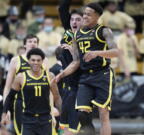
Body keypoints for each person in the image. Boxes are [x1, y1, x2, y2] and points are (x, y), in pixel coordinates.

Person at [56, 3, 120, 135]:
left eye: (88, 14)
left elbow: (116, 51)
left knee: (103, 113)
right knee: (82, 114)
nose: (85, 16)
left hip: (103, 74)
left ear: (97, 16)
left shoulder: (104, 30)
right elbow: (76, 62)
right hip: (85, 77)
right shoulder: (77, 34)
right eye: (84, 13)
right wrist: (61, 75)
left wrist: (97, 53)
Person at [1, 48, 62, 135]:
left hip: (45, 120)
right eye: (33, 60)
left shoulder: (50, 76)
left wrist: (63, 116)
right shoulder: (21, 77)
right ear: (28, 61)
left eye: (38, 60)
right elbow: (10, 97)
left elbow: (57, 97)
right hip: (28, 120)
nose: (36, 62)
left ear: (42, 61)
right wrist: (4, 114)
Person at [2, 34, 48, 135]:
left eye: (35, 42)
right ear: (24, 45)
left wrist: (52, 108)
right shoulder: (15, 60)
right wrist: (6, 109)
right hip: (20, 103)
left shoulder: (44, 61)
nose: (33, 44)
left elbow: (48, 87)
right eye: (30, 41)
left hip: (40, 104)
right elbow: (7, 87)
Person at [58, 0, 83, 134]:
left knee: (77, 124)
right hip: (66, 83)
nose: (74, 22)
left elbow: (82, 61)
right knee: (64, 123)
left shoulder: (86, 37)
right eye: (72, 19)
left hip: (78, 83)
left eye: (78, 19)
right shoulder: (68, 31)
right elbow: (62, 9)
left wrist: (74, 50)